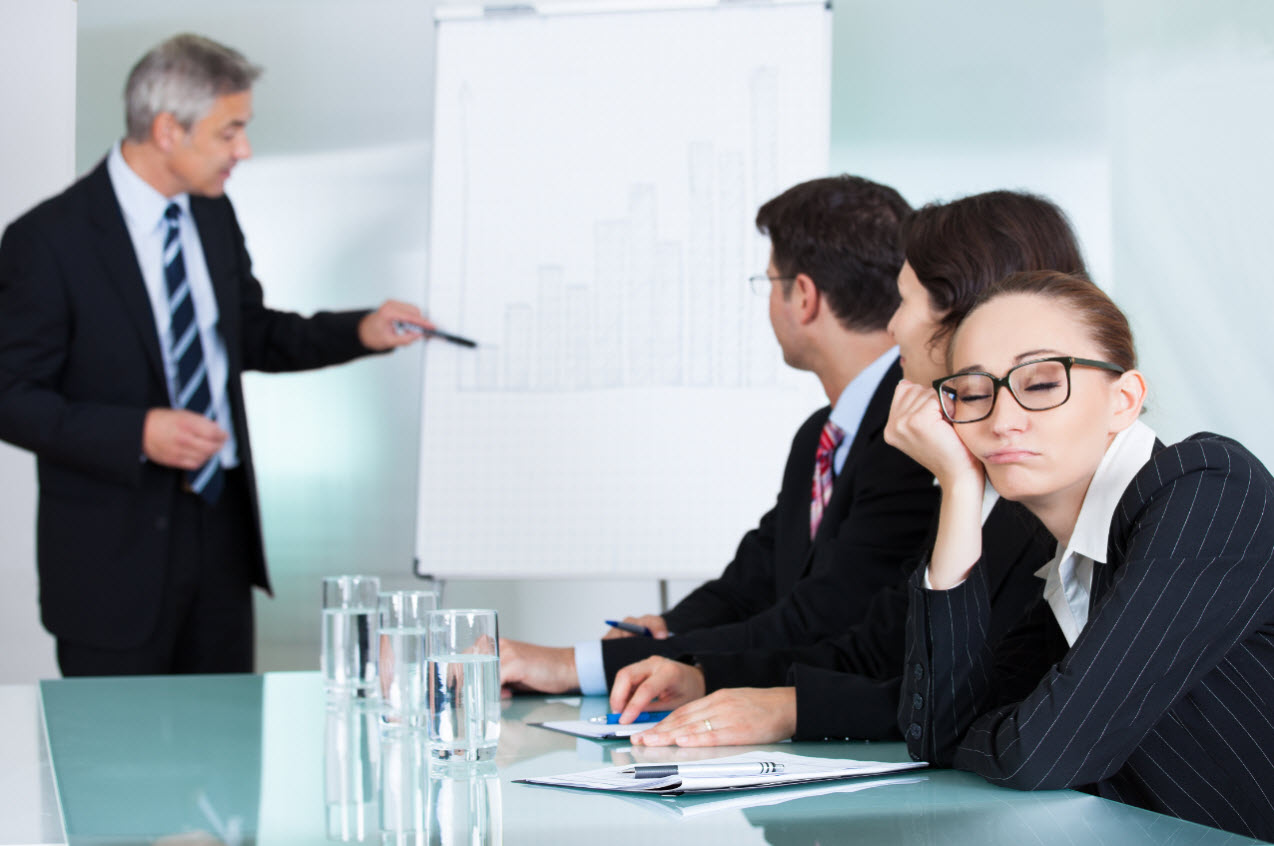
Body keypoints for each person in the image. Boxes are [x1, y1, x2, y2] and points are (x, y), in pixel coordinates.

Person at [0, 33, 433, 676]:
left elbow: (250, 334)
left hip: (221, 540)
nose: (244, 150)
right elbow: (11, 398)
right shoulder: (48, 239)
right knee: (120, 766)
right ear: (169, 130)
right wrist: (139, 432)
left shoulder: (211, 214)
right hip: (109, 565)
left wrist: (360, 330)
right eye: (230, 131)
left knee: (227, 758)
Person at [611, 191, 1077, 745]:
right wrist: (710, 676)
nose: (894, 327)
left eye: (904, 303)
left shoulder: (1047, 493)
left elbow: (982, 707)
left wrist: (790, 709)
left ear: (964, 312)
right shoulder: (979, 478)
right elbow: (889, 646)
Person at [499, 175, 940, 696]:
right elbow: (751, 581)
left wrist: (573, 666)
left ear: (803, 297)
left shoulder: (913, 433)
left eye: (770, 282)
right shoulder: (820, 437)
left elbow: (820, 619)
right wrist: (667, 630)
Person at [890, 270, 1274, 840]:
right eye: (973, 393)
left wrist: (1014, 732)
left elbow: (1042, 755)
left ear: (1124, 400)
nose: (1001, 419)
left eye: (1042, 383)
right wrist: (960, 489)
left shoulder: (1211, 491)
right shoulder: (1073, 564)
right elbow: (938, 733)